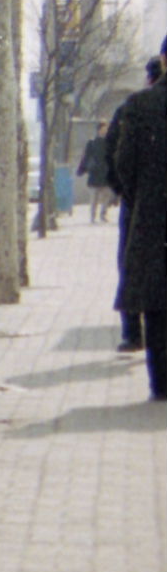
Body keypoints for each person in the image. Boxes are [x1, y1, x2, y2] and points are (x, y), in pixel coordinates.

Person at [108, 50, 167, 391]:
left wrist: (141, 199)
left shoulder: (139, 105)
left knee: (158, 306)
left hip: (154, 218)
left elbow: (122, 165)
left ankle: (161, 384)